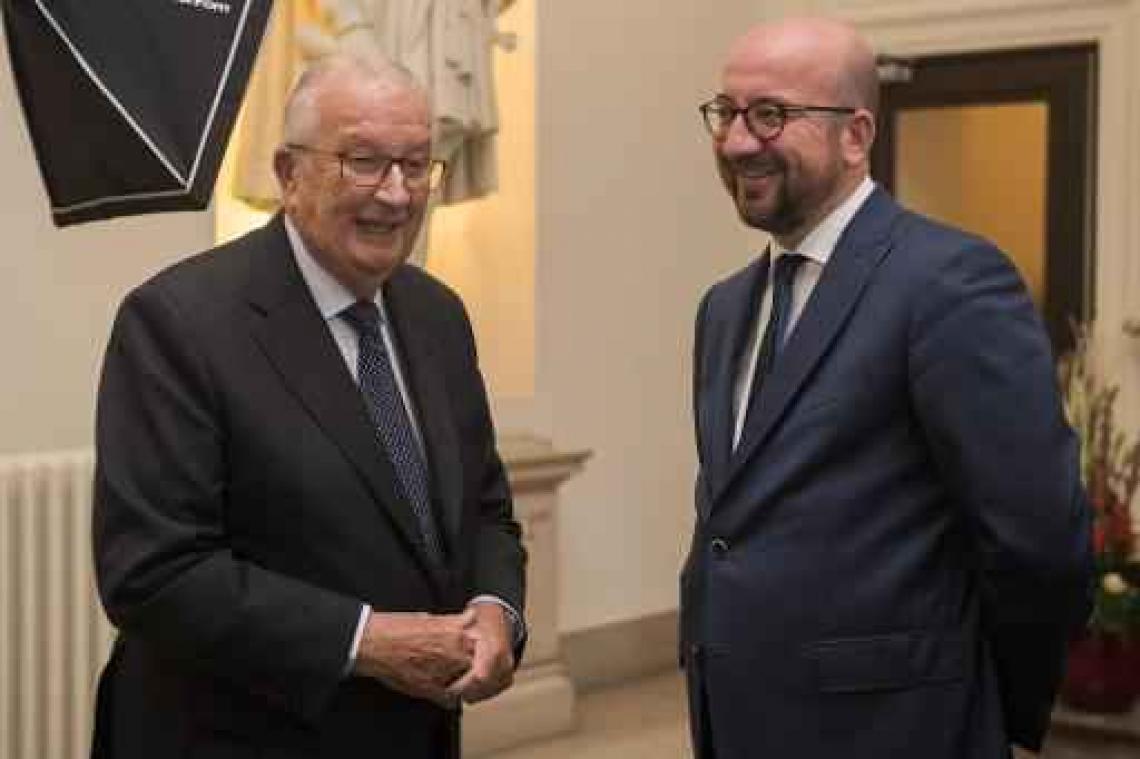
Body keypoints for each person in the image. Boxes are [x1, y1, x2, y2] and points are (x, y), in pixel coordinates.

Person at [91, 52, 526, 759]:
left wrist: (495, 608)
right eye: (363, 161)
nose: (395, 193)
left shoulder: (438, 315)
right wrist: (364, 640)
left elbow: (484, 510)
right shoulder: (178, 322)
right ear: (289, 174)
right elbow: (154, 571)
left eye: (416, 165)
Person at [682, 17, 1093, 759]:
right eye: (726, 112)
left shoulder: (949, 282)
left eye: (771, 114)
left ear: (856, 134)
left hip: (895, 729)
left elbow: (1039, 538)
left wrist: (998, 706)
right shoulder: (725, 307)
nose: (739, 140)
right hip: (742, 719)